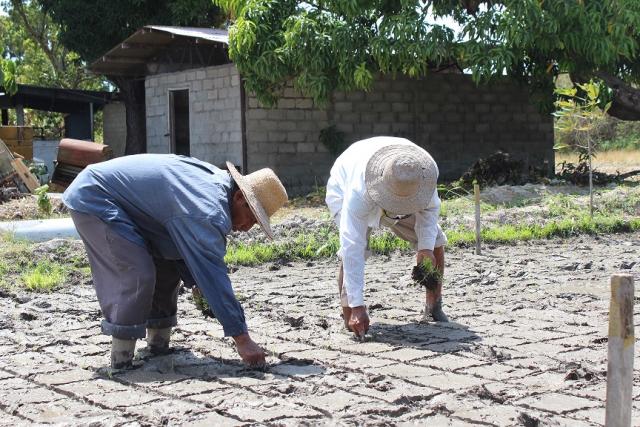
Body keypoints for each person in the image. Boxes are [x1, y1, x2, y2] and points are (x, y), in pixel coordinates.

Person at [62, 154, 288, 369]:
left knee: (168, 262)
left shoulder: (215, 187)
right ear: (239, 198)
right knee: (136, 273)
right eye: (252, 218)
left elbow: (183, 249)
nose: (247, 228)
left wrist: (195, 281)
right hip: (95, 196)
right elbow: (212, 274)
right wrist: (242, 338)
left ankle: (158, 343)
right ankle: (121, 359)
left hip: (131, 206)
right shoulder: (207, 211)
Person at [325, 136, 448, 338]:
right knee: (355, 253)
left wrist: (425, 248)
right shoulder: (358, 193)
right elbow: (352, 247)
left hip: (404, 194)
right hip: (344, 188)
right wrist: (357, 305)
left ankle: (434, 305)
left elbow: (430, 209)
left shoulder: (423, 175)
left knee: (435, 242)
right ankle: (351, 315)